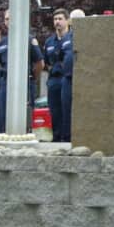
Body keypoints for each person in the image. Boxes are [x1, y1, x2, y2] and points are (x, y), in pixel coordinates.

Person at [0, 9, 43, 134]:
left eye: (11, 18)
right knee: (4, 115)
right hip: (6, 83)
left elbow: (40, 63)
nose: (8, 21)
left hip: (24, 83)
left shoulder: (28, 39)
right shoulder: (2, 42)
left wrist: (32, 77)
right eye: (6, 19)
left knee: (25, 115)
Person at [43, 9, 72, 142]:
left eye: (60, 19)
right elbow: (46, 62)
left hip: (67, 78)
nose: (57, 22)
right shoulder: (49, 42)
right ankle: (56, 137)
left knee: (67, 110)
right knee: (54, 110)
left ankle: (67, 138)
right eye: (55, 19)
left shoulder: (73, 38)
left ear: (67, 21)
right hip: (54, 79)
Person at [60, 9, 85, 142]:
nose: (76, 22)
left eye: (80, 19)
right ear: (70, 21)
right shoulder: (65, 38)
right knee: (66, 110)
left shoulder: (89, 37)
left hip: (83, 80)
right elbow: (59, 58)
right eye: (74, 19)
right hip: (68, 79)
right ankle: (67, 140)